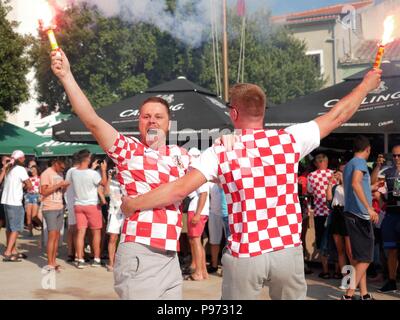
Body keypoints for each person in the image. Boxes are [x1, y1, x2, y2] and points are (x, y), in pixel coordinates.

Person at [121, 70, 382, 300]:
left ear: (233, 113)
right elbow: (338, 115)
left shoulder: (221, 151)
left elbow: (179, 189)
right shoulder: (289, 140)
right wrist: (366, 86)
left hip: (245, 253)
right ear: (263, 110)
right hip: (287, 251)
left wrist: (135, 203)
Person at [51, 50, 193, 299]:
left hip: (171, 255)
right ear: (138, 122)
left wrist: (231, 140)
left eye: (158, 117)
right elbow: (92, 120)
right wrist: (67, 76)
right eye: (146, 116)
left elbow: (217, 169)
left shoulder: (182, 155)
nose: (152, 121)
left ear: (169, 123)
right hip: (140, 249)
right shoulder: (129, 150)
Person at [341, 135, 379, 300]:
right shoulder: (360, 162)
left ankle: (364, 294)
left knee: (359, 257)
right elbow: (356, 183)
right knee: (366, 258)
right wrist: (369, 208)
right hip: (360, 215)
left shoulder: (349, 164)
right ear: (368, 149)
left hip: (350, 213)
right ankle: (349, 295)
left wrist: (371, 187)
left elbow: (356, 185)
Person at [67, 150, 107, 269]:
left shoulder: (74, 172)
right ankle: (96, 259)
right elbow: (104, 183)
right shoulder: (93, 174)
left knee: (81, 232)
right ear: (87, 159)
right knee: (96, 232)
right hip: (91, 205)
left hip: (78, 205)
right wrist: (103, 170)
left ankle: (80, 259)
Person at [372, 146, 400, 293]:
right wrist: (378, 166)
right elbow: (373, 184)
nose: (396, 158)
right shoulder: (387, 172)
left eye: (399, 156)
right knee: (391, 250)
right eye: (394, 156)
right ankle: (391, 281)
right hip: (391, 214)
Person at [307, 152, 335, 279]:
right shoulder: (333, 174)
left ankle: (325, 270)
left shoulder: (311, 176)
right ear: (326, 162)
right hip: (333, 212)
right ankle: (338, 270)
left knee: (321, 241)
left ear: (316, 163)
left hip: (319, 212)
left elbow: (310, 191)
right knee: (335, 241)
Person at [1, 150, 32, 262]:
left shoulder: (9, 169)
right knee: (16, 229)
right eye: (23, 157)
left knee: (9, 228)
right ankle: (8, 252)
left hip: (6, 201)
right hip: (15, 203)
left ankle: (13, 250)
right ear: (20, 159)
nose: (24, 159)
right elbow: (29, 185)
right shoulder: (20, 169)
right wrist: (25, 185)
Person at [40, 157, 70, 270]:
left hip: (59, 206)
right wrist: (58, 185)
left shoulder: (60, 174)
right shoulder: (46, 173)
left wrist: (64, 187)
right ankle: (50, 263)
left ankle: (53, 261)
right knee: (52, 236)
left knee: (57, 236)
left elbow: (60, 192)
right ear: (56, 163)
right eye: (61, 167)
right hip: (49, 207)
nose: (62, 169)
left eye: (64, 168)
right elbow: (43, 191)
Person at [185, 148, 209, 281]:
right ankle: (203, 272)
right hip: (197, 209)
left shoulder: (198, 172)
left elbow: (203, 194)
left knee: (195, 241)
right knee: (197, 241)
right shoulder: (200, 171)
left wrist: (197, 214)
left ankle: (199, 272)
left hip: (197, 210)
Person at [326, 162, 352, 283]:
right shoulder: (336, 187)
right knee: (340, 250)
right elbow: (329, 199)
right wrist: (330, 182)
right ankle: (346, 279)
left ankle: (354, 279)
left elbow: (350, 198)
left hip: (346, 216)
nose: (340, 174)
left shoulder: (351, 185)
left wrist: (343, 180)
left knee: (349, 251)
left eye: (343, 171)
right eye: (339, 171)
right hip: (336, 215)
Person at [105, 167, 124, 272]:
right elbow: (106, 193)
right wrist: (109, 177)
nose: (117, 172)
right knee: (113, 238)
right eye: (115, 170)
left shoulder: (126, 182)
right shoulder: (111, 182)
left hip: (126, 213)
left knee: (125, 239)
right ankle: (111, 262)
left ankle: (122, 262)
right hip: (114, 212)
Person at [207, 182, 228, 274]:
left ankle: (226, 267)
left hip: (228, 213)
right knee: (214, 241)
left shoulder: (228, 179)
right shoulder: (210, 183)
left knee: (229, 242)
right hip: (214, 214)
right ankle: (214, 265)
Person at [64, 153, 79, 262]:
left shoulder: (70, 171)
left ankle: (71, 253)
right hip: (75, 202)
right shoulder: (74, 171)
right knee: (75, 229)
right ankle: (76, 253)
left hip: (70, 202)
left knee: (72, 229)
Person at [25, 165, 41, 237]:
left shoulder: (40, 178)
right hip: (28, 196)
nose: (33, 171)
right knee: (28, 216)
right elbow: (25, 187)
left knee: (34, 216)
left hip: (36, 196)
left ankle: (42, 225)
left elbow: (41, 188)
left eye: (34, 170)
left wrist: (40, 196)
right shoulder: (28, 178)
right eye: (32, 170)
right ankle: (30, 232)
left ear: (37, 170)